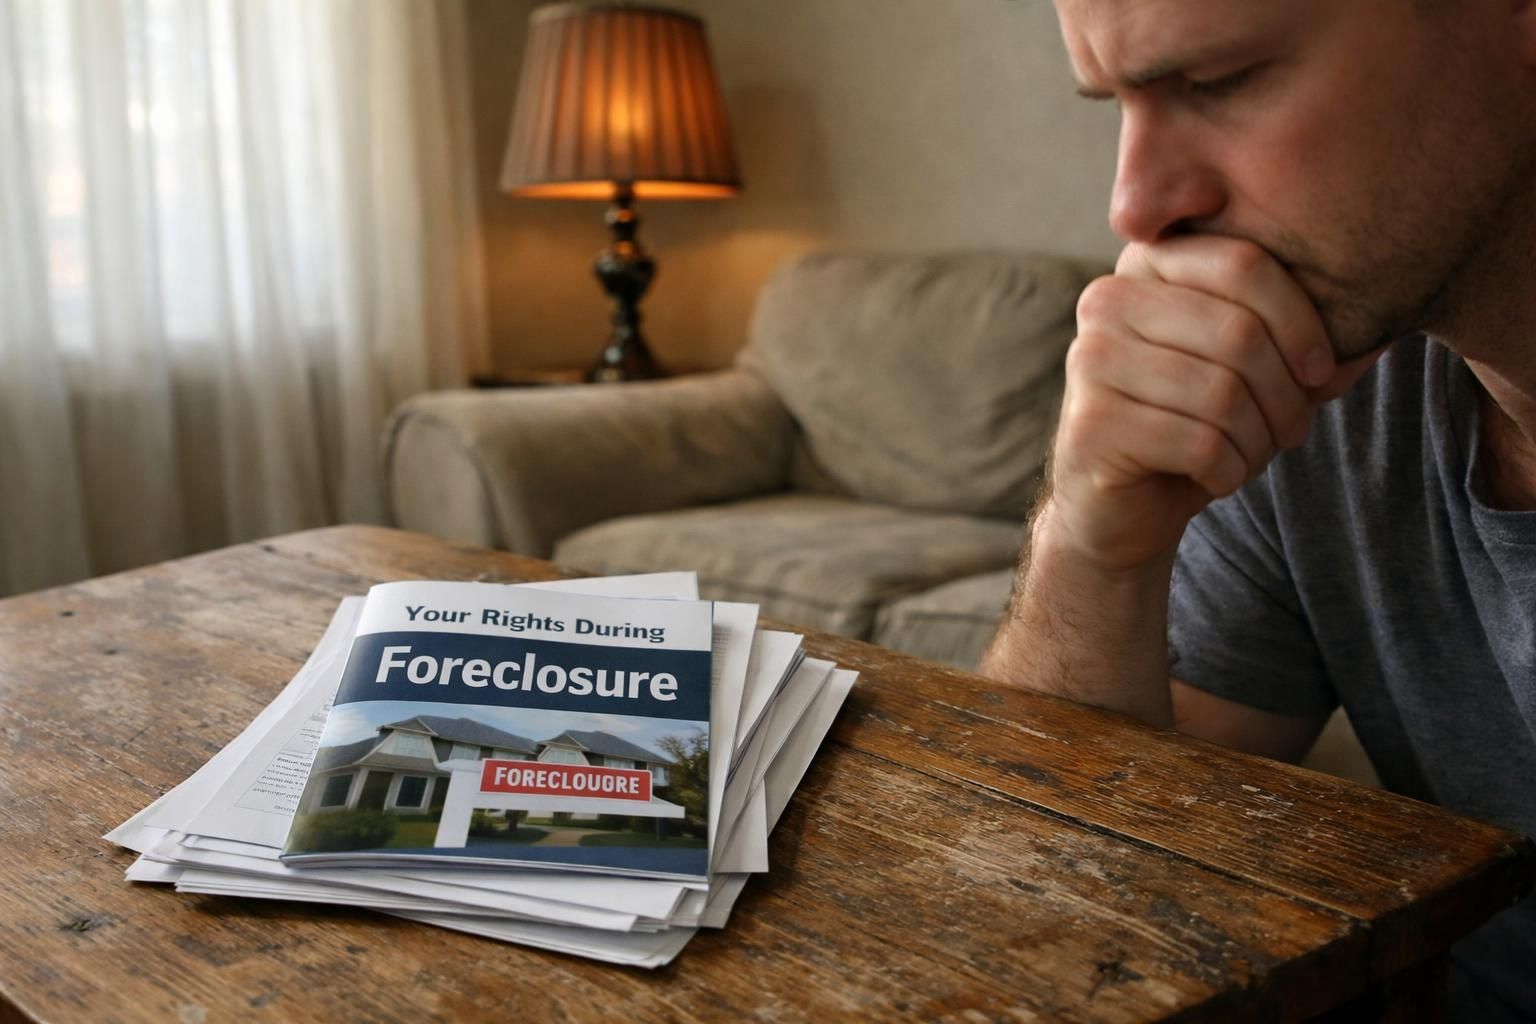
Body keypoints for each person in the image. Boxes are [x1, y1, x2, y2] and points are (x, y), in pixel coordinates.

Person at [977, 0, 1536, 1018]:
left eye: (1220, 81)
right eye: (1118, 102)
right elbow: (1062, 869)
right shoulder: (1318, 385)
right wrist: (1092, 542)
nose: (1135, 205)